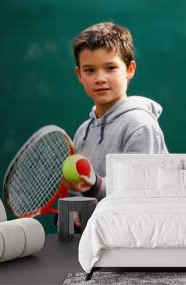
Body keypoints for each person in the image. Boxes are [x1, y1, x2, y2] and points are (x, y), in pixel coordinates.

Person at [60, 22, 168, 227]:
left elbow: (140, 192)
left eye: (110, 68)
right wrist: (71, 215)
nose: (100, 78)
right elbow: (80, 197)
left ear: (130, 69)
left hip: (137, 242)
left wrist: (96, 186)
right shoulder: (83, 132)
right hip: (94, 241)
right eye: (90, 70)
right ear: (79, 75)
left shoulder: (141, 125)